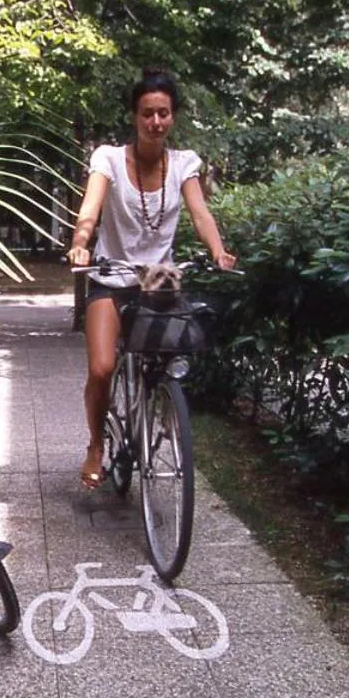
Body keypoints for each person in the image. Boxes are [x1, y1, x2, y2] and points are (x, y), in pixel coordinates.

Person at [67, 68, 236, 490]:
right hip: (111, 273)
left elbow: (200, 213)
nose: (155, 122)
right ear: (134, 116)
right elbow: (90, 209)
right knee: (103, 367)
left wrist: (217, 250)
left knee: (170, 359)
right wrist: (81, 241)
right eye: (147, 113)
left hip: (158, 279)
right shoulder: (107, 158)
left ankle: (158, 402)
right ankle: (95, 444)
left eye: (163, 113)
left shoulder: (183, 164)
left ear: (172, 117)